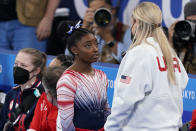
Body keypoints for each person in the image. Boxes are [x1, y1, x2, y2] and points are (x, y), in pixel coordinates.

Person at [104, 2, 189, 131]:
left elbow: (125, 100)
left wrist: (110, 128)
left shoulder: (139, 53)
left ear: (137, 23)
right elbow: (183, 82)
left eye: (133, 22)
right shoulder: (170, 53)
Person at [57, 24, 110, 131]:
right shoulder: (67, 81)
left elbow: (106, 110)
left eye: (96, 44)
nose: (95, 49)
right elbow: (66, 122)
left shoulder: (101, 75)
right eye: (88, 46)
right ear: (74, 50)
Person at [0, 48, 47, 131]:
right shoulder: (11, 94)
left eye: (23, 65)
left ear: (36, 71)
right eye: (16, 64)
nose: (17, 69)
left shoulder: (43, 97)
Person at [28, 66, 67, 131]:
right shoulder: (43, 98)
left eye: (45, 90)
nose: (44, 93)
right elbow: (34, 127)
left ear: (49, 93)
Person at [168, 0, 196, 74]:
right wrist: (171, 40)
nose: (193, 20)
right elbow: (169, 65)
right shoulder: (182, 40)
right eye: (189, 18)